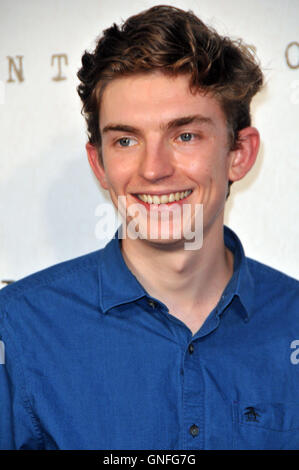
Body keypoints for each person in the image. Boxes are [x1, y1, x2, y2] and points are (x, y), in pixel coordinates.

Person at [0, 5, 298, 451]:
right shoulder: (19, 327)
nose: (154, 170)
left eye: (185, 136)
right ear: (99, 164)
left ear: (239, 153)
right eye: (125, 140)